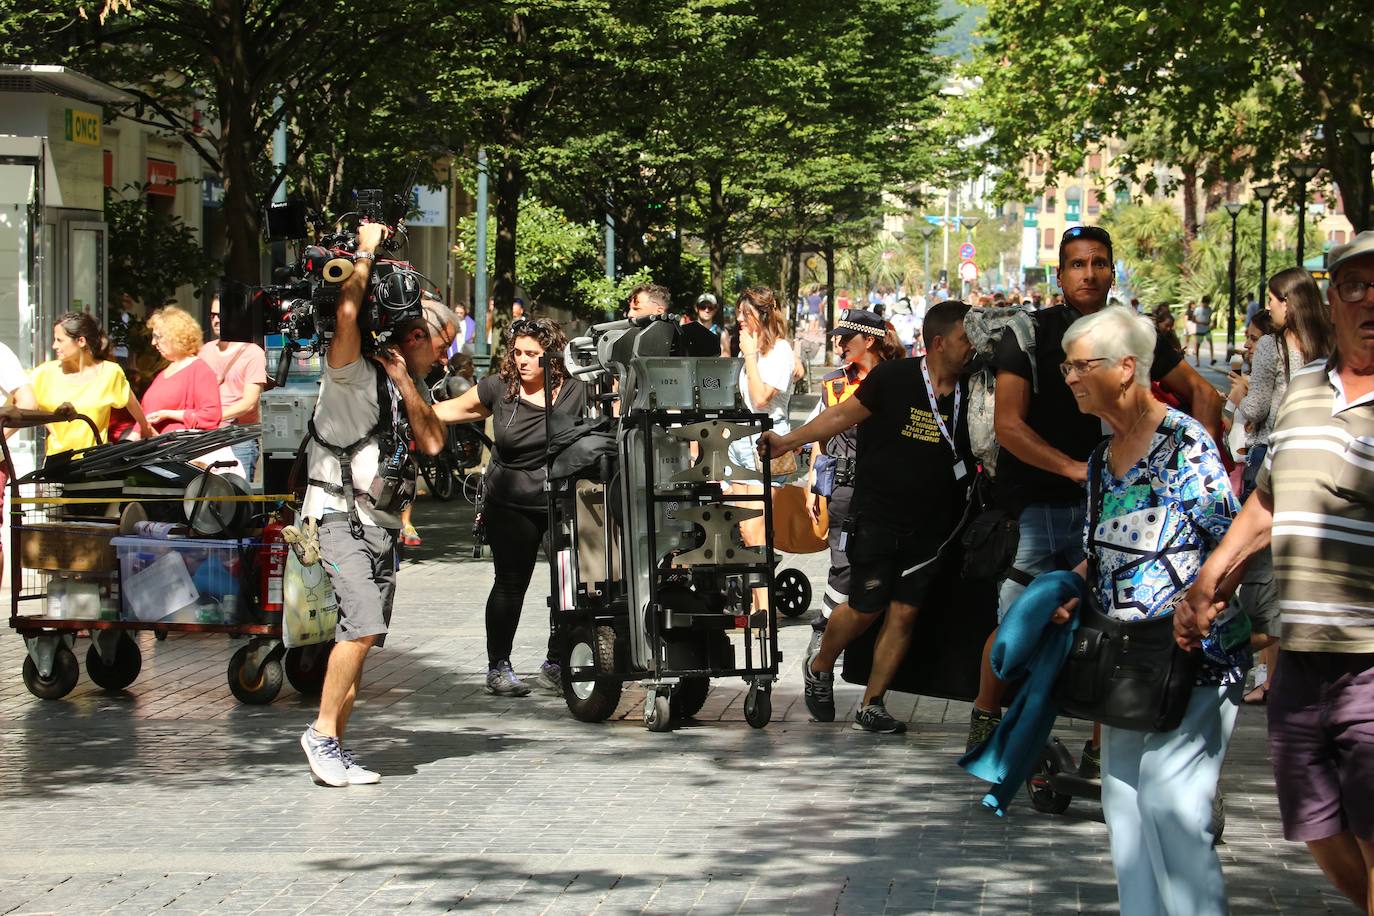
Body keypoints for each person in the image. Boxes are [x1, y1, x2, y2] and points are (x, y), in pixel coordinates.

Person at [968, 225, 1224, 768]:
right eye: (1077, 264)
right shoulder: (1029, 333)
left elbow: (1204, 394)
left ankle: (1100, 749)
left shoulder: (1134, 333)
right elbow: (1008, 426)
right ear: (1059, 275)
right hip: (1037, 504)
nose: (1089, 273)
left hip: (1118, 505)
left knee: (1112, 627)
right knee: (1022, 622)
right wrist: (1078, 471)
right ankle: (987, 721)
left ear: (1113, 270)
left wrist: (1181, 468)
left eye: (1099, 263)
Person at [1179, 231, 1374, 914]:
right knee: (1315, 819)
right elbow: (1266, 499)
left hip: (1370, 660)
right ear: (1335, 297)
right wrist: (1212, 580)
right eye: (1356, 284)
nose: (1370, 298)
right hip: (1300, 657)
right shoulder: (1304, 393)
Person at [1054, 305, 1242, 916]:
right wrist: (1067, 591)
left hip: (1192, 661)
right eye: (1067, 366)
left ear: (1127, 368)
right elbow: (1104, 551)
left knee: (1170, 807)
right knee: (1124, 807)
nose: (1070, 377)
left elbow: (1234, 542)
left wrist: (1204, 611)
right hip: (1124, 661)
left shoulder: (1185, 443)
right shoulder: (1103, 456)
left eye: (1082, 365)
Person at [762, 301, 974, 734]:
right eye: (964, 339)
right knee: (864, 608)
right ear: (937, 343)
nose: (971, 348)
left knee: (905, 613)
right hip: (878, 514)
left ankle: (871, 703)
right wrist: (788, 442)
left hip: (933, 522)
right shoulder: (894, 378)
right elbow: (840, 415)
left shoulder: (974, 388)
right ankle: (820, 664)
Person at [298, 221, 445, 787]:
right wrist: (363, 252)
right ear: (412, 335)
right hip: (335, 513)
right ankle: (321, 735)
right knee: (359, 624)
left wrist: (407, 382)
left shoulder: (402, 380)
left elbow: (432, 443)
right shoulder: (347, 372)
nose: (444, 351)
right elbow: (346, 318)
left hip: (378, 522)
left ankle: (335, 741)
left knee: (358, 637)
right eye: (440, 341)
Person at [429, 315, 587, 696]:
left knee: (570, 582)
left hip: (560, 498)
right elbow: (444, 412)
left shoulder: (577, 390)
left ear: (551, 355)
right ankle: (498, 665)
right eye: (517, 352)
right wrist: (402, 407)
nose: (523, 360)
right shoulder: (500, 388)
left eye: (532, 353)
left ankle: (556, 660)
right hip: (510, 500)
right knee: (510, 584)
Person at [1229, 268, 1334, 706]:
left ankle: (1252, 669)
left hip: (1270, 457)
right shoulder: (1328, 343)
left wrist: (1232, 396)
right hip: (1317, 460)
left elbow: (1255, 406)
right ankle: (1285, 673)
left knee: (1259, 565)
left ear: (1288, 302)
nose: (1268, 307)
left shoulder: (1272, 346)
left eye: (1273, 299)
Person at [801, 309, 906, 656]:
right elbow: (821, 438)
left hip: (890, 490)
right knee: (842, 566)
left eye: (847, 338)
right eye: (838, 337)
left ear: (870, 340)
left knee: (886, 568)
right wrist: (814, 488)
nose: (839, 344)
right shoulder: (834, 383)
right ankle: (823, 635)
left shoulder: (900, 379)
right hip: (845, 489)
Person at [728, 286, 796, 617]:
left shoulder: (780, 351)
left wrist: (751, 357)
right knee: (743, 528)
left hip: (767, 443)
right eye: (738, 313)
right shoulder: (750, 351)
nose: (739, 319)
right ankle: (758, 605)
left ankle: (766, 609)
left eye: (745, 314)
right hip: (742, 443)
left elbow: (760, 399)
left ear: (762, 316)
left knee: (756, 527)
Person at [30, 311, 152, 455]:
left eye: (60, 340)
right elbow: (23, 403)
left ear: (81, 341)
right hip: (57, 462)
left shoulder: (110, 373)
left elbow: (132, 404)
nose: (54, 346)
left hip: (94, 463)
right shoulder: (44, 373)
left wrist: (145, 430)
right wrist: (51, 420)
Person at [398, 301, 459, 548]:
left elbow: (432, 443)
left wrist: (403, 381)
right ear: (417, 336)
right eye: (443, 348)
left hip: (383, 518)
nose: (445, 360)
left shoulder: (415, 381)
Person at [199, 294, 268, 480]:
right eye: (213, 315)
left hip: (239, 437)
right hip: (205, 436)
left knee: (236, 497)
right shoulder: (204, 351)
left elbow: (249, 403)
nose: (216, 319)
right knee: (204, 496)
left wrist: (210, 417)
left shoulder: (253, 353)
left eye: (221, 314)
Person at [142, 307, 222, 438]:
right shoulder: (162, 374)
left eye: (157, 337)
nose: (153, 342)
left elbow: (211, 416)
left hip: (182, 452)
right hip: (158, 451)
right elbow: (145, 416)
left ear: (175, 336)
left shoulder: (199, 369)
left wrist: (168, 414)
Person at [1192, 294, 1215, 366]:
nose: (1207, 304)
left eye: (1208, 303)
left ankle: (1212, 359)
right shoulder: (1197, 309)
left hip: (1207, 329)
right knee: (1198, 345)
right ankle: (1197, 361)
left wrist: (1210, 323)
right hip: (1199, 330)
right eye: (1206, 303)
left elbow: (1209, 317)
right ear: (1203, 302)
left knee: (1210, 343)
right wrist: (1202, 323)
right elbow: (1193, 319)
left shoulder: (1209, 309)